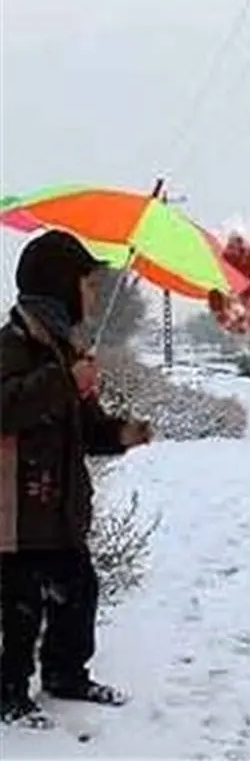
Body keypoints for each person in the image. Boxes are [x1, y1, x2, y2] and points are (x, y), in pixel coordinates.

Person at [0, 230, 153, 727]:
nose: (93, 295)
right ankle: (9, 695)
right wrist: (66, 381)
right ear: (58, 286)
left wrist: (122, 433)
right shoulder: (11, 348)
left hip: (61, 512)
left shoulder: (68, 353)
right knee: (18, 613)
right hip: (14, 516)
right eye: (87, 284)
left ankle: (66, 676)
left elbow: (87, 431)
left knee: (78, 593)